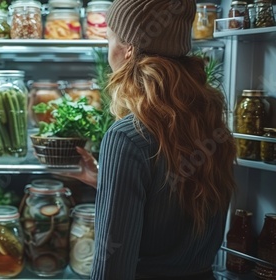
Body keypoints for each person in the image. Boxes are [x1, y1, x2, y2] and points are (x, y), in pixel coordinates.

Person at [64, 0, 237, 279]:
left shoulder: (126, 137)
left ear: (129, 50)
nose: (108, 52)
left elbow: (113, 267)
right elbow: (171, 199)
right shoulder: (209, 122)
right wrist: (106, 181)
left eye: (109, 39)